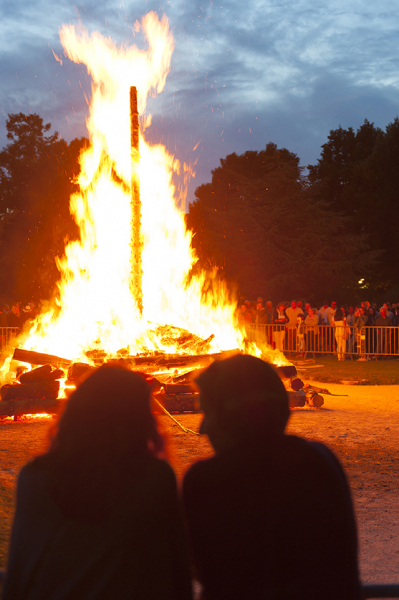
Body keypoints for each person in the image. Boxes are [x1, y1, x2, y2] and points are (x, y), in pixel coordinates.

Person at [3, 366, 192, 600]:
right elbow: (176, 564)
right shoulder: (154, 476)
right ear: (140, 417)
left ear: (75, 410)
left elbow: (21, 563)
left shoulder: (35, 476)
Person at [183, 355, 360, 600]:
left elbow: (203, 570)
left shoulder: (207, 480)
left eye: (209, 412)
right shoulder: (321, 461)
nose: (203, 428)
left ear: (234, 417)